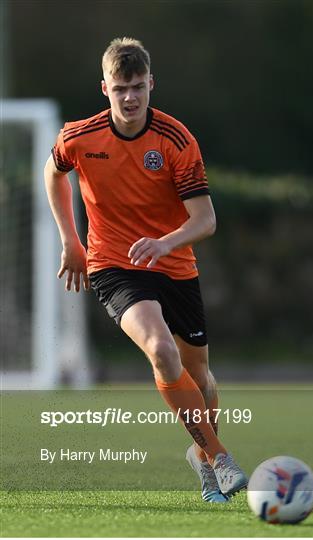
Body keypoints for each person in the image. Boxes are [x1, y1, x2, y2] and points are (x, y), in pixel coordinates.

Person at [44, 37, 248, 502]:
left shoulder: (176, 140)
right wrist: (70, 240)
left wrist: (165, 242)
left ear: (151, 83)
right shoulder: (80, 136)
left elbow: (205, 220)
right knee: (160, 349)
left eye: (137, 86)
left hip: (174, 262)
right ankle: (217, 456)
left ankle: (200, 455)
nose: (130, 97)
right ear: (105, 89)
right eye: (120, 89)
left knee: (200, 378)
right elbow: (53, 172)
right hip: (114, 264)